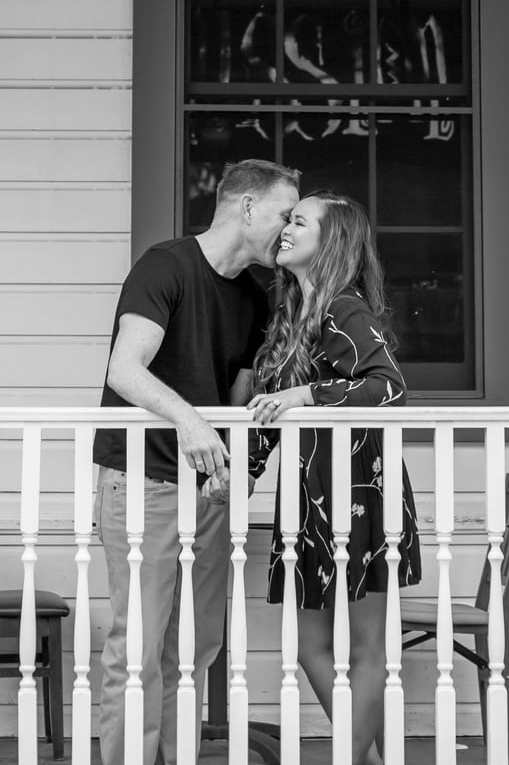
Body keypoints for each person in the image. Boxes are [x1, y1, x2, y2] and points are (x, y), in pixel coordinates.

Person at [92, 159, 300, 765]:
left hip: (209, 490)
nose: (289, 229)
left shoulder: (255, 297)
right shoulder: (166, 265)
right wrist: (189, 420)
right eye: (285, 214)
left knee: (194, 645)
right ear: (247, 207)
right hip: (143, 480)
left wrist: (241, 465)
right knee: (139, 645)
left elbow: (237, 400)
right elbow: (124, 369)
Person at [247, 190, 422, 765]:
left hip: (362, 487)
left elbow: (388, 386)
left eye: (300, 222)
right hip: (308, 495)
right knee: (309, 644)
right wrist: (243, 471)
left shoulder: (344, 308)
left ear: (331, 244)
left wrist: (307, 394)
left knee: (369, 645)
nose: (286, 229)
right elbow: (270, 412)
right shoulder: (292, 314)